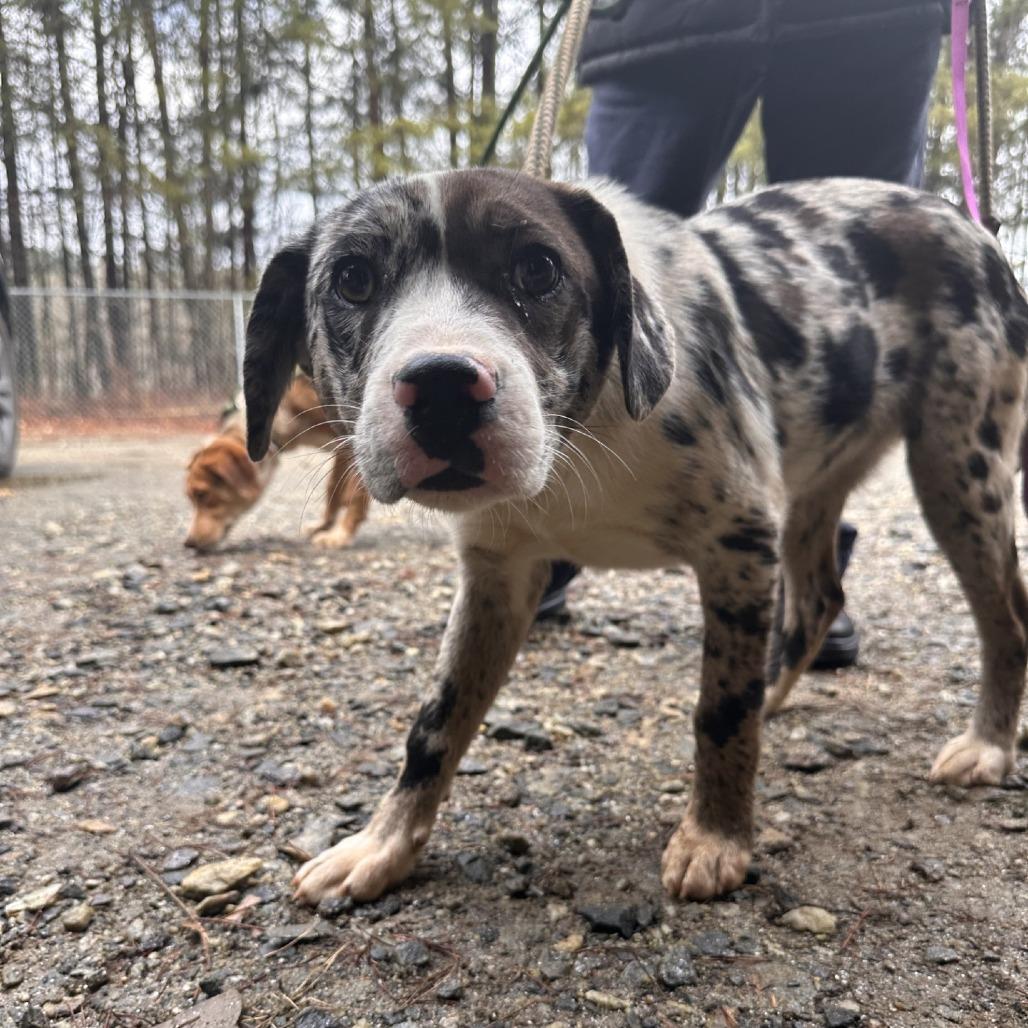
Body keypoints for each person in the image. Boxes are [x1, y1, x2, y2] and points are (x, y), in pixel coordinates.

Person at [537, 0, 948, 669]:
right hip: (662, 22)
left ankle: (801, 566)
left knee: (839, 313)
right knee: (601, 270)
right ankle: (545, 533)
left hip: (867, 23)